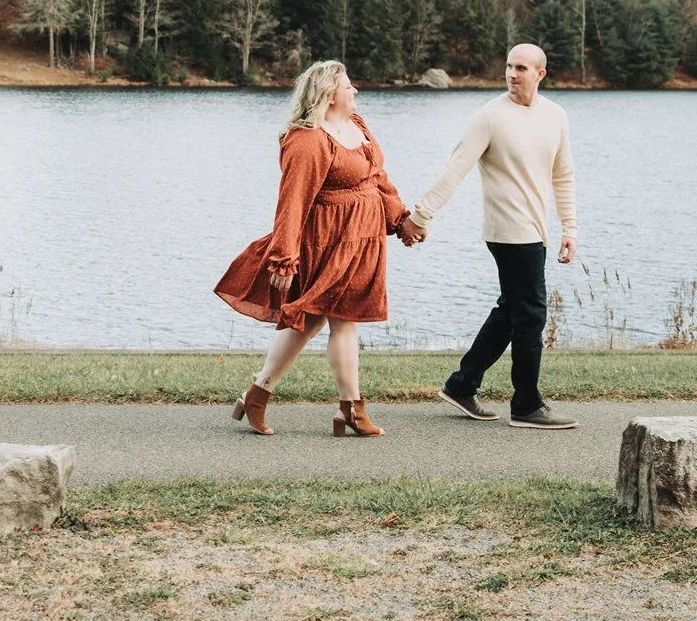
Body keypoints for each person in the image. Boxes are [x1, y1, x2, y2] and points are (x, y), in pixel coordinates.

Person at [214, 59, 425, 437]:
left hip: (364, 238)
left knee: (316, 322)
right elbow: (292, 201)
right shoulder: (308, 139)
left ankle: (260, 397)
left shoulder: (357, 126)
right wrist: (283, 259)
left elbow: (379, 178)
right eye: (348, 86)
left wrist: (400, 220)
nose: (355, 91)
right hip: (327, 240)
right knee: (333, 322)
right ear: (328, 95)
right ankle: (349, 410)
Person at [409, 42, 579, 429]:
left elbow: (563, 174)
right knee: (532, 313)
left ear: (540, 74)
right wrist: (422, 215)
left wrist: (570, 227)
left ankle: (462, 384)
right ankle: (527, 404)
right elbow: (456, 169)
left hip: (536, 230)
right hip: (507, 230)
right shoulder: (488, 117)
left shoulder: (556, 116)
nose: (512, 73)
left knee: (512, 310)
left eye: (521, 67)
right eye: (508, 66)